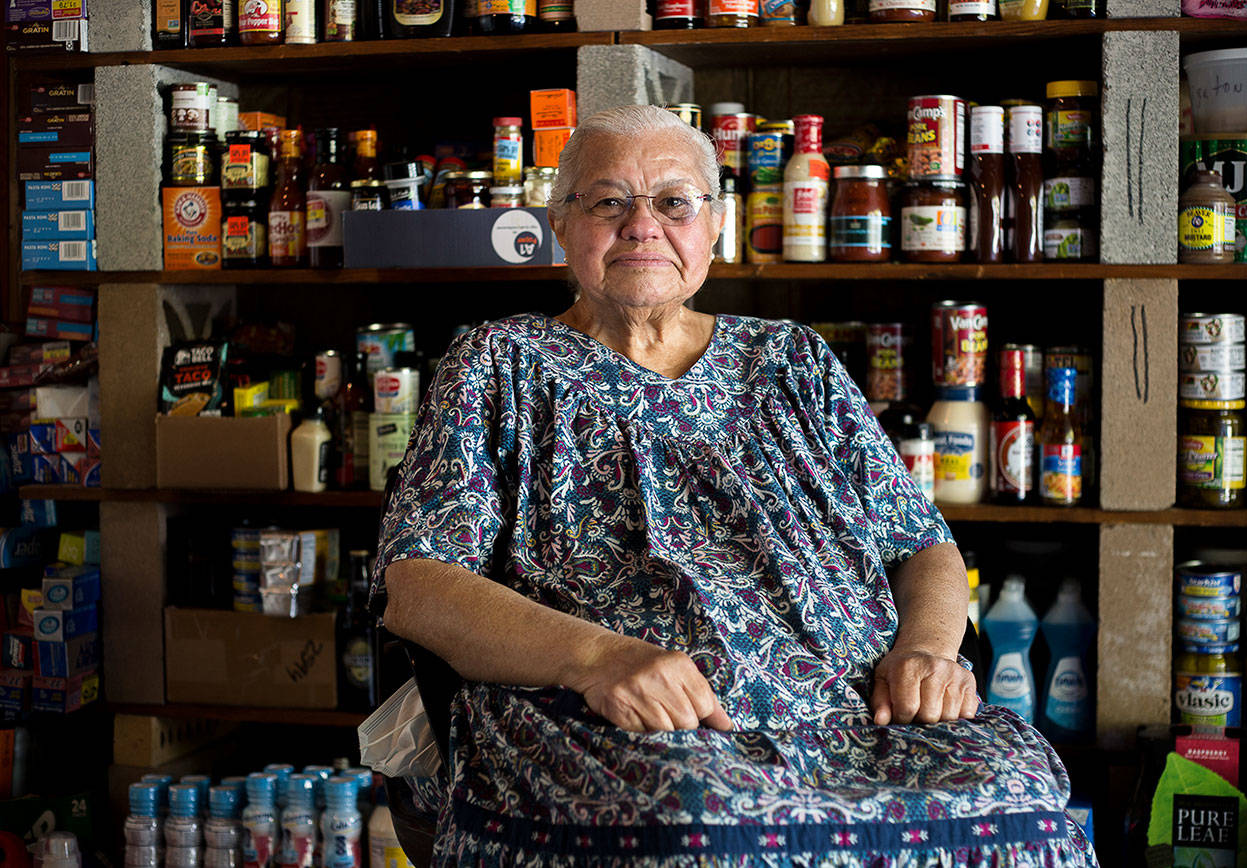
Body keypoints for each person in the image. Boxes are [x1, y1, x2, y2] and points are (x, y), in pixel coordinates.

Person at [373, 105, 1097, 866]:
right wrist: (594, 659)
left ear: (713, 225)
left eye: (674, 202)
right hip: (623, 718)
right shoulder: (501, 362)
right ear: (561, 223)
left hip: (861, 713)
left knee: (1019, 795)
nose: (643, 225)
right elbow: (419, 584)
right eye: (609, 201)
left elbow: (922, 545)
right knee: (705, 828)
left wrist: (926, 651)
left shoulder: (792, 360)